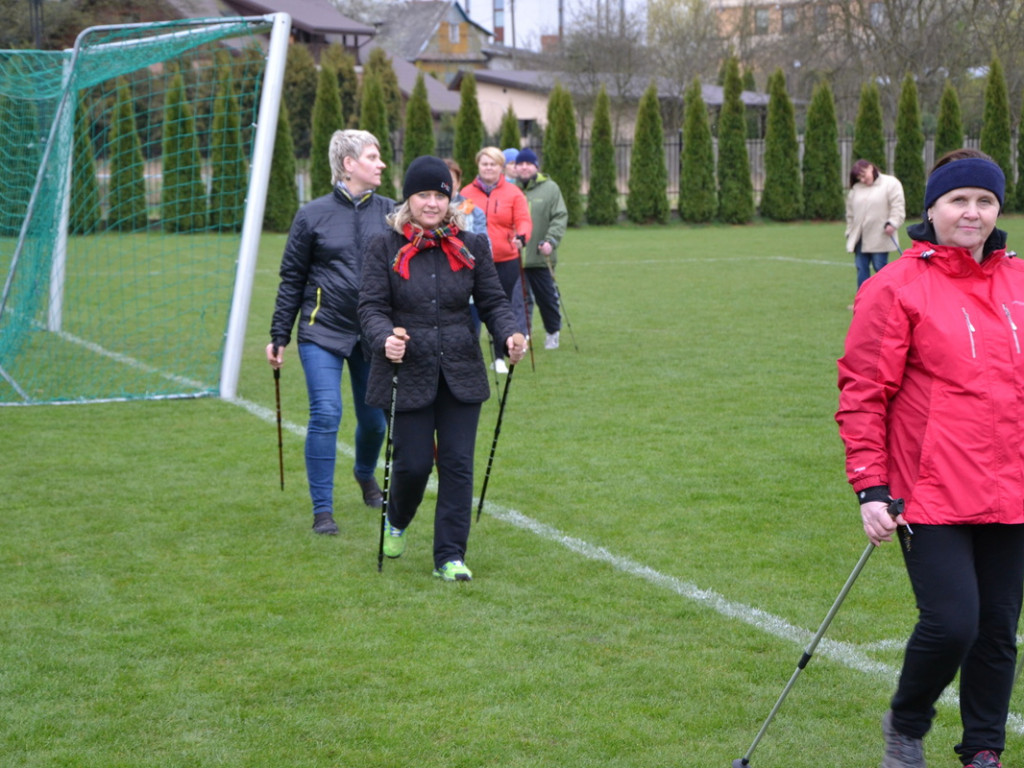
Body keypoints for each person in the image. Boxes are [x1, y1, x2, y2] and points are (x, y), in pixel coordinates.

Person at [836, 149, 1024, 768]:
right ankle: (907, 723)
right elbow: (863, 392)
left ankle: (982, 752)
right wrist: (869, 486)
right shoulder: (895, 286)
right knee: (953, 624)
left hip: (1012, 488)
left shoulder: (1019, 280)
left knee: (998, 631)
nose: (972, 213)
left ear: (999, 209)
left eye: (985, 201)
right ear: (932, 209)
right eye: (958, 200)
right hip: (930, 489)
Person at [358, 155, 526, 582]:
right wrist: (385, 339)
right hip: (407, 369)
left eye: (439, 195)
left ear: (449, 200)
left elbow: (492, 301)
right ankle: (396, 517)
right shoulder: (384, 246)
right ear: (408, 199)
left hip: (461, 371)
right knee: (413, 465)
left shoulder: (472, 245)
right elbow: (372, 308)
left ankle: (449, 556)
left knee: (456, 464)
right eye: (423, 195)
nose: (431, 204)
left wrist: (509, 334)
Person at [267, 129, 393, 536]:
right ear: (348, 164)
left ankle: (363, 473)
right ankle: (323, 510)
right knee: (326, 412)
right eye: (373, 157)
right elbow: (291, 279)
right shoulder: (311, 215)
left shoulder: (393, 213)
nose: (381, 164)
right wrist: (279, 335)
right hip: (321, 331)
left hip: (372, 334)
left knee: (375, 422)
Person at [461, 146, 532, 374]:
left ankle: (500, 355)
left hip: (505, 259)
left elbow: (523, 220)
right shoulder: (467, 193)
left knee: (500, 306)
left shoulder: (513, 193)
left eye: (493, 164)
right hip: (473, 261)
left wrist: (522, 236)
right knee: (470, 309)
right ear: (478, 166)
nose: (489, 168)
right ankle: (468, 354)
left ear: (501, 167)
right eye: (485, 164)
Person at [514, 147, 568, 350]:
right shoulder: (512, 189)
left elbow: (560, 216)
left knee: (547, 298)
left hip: (540, 255)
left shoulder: (551, 188)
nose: (524, 167)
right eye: (520, 164)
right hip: (516, 257)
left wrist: (550, 241)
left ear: (536, 166)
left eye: (528, 163)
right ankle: (523, 335)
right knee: (520, 300)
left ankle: (553, 332)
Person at [845, 159, 906, 298]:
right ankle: (862, 300)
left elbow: (898, 206)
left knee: (881, 269)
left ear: (871, 168)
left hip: (880, 236)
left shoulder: (890, 183)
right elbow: (850, 214)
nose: (862, 179)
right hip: (860, 238)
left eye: (863, 175)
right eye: (859, 178)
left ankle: (887, 299)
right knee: (861, 269)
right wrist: (849, 231)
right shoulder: (856, 189)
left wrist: (893, 223)